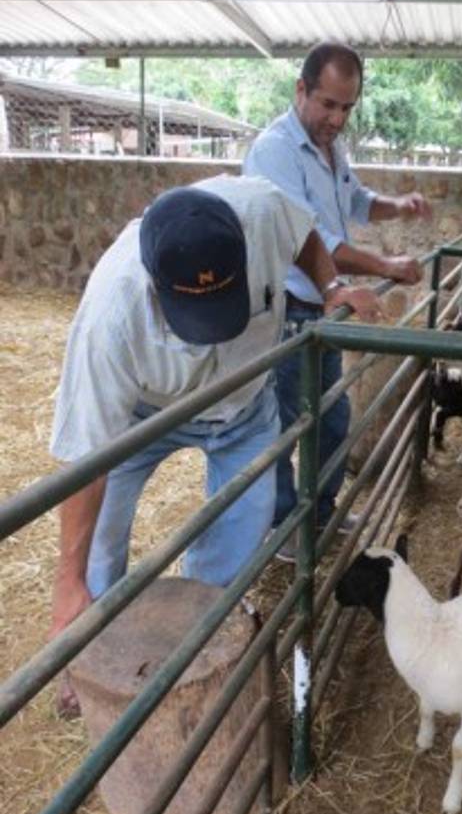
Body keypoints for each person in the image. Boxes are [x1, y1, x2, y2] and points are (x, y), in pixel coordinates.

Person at [49, 177, 380, 716]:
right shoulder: (111, 314)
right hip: (146, 415)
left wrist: (333, 287)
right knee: (100, 544)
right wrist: (68, 580)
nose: (213, 331)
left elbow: (305, 238)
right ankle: (90, 654)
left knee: (234, 535)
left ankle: (195, 650)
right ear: (154, 283)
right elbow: (87, 455)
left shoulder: (263, 210)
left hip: (244, 406)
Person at [243, 40, 433, 561]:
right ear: (301, 89)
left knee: (329, 416)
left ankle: (320, 510)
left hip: (318, 307)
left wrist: (399, 206)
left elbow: (353, 199)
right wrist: (384, 267)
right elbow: (308, 240)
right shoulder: (275, 151)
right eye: (328, 104)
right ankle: (285, 526)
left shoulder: (329, 147)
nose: (337, 118)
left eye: (347, 107)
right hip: (285, 308)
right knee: (284, 421)